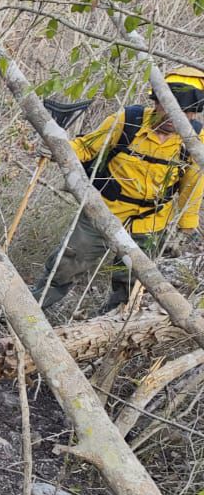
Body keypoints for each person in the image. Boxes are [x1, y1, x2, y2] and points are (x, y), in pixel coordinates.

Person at [33, 67, 204, 313]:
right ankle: (32, 311)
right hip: (103, 210)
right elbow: (86, 147)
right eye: (170, 108)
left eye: (185, 112)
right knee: (66, 264)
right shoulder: (127, 120)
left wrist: (186, 226)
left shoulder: (196, 139)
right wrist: (58, 148)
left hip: (151, 221)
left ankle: (112, 322)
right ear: (157, 102)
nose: (175, 118)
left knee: (131, 282)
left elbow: (193, 185)